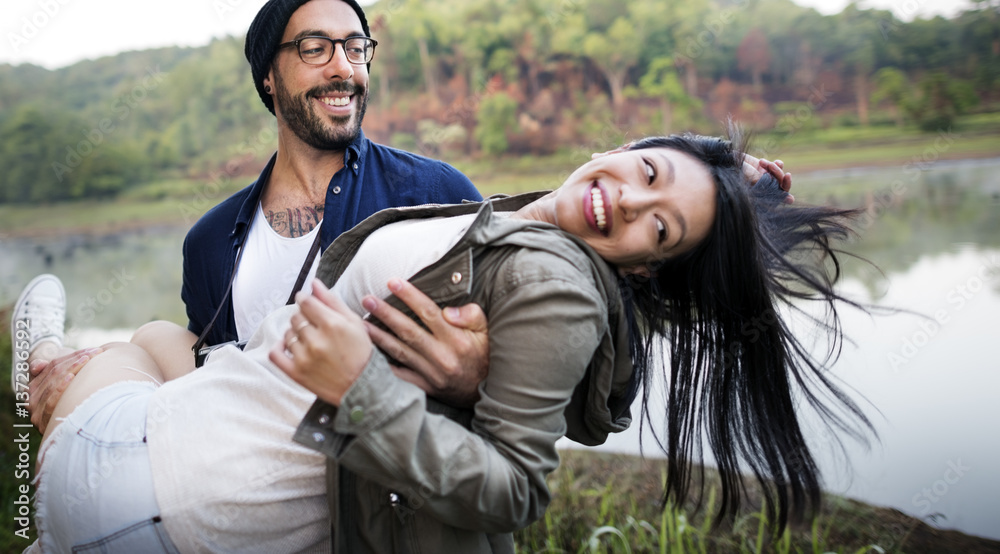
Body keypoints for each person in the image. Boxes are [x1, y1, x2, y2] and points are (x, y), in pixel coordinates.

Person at [14, 131, 835, 553]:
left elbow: (517, 487)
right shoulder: (515, 225)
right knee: (163, 337)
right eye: (647, 172)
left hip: (153, 502)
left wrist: (358, 385)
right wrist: (737, 190)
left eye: (659, 227)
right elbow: (596, 351)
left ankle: (49, 374)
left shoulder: (552, 276)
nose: (625, 202)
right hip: (181, 491)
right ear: (623, 147)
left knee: (101, 365)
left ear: (653, 268)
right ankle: (69, 387)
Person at [23, 0, 496, 432]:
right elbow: (201, 382)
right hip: (245, 477)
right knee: (150, 345)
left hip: (379, 494)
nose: (343, 68)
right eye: (315, 49)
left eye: (356, 48)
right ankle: (50, 360)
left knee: (144, 345)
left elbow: (520, 350)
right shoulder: (209, 241)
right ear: (268, 74)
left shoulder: (435, 194)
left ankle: (45, 354)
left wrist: (474, 376)